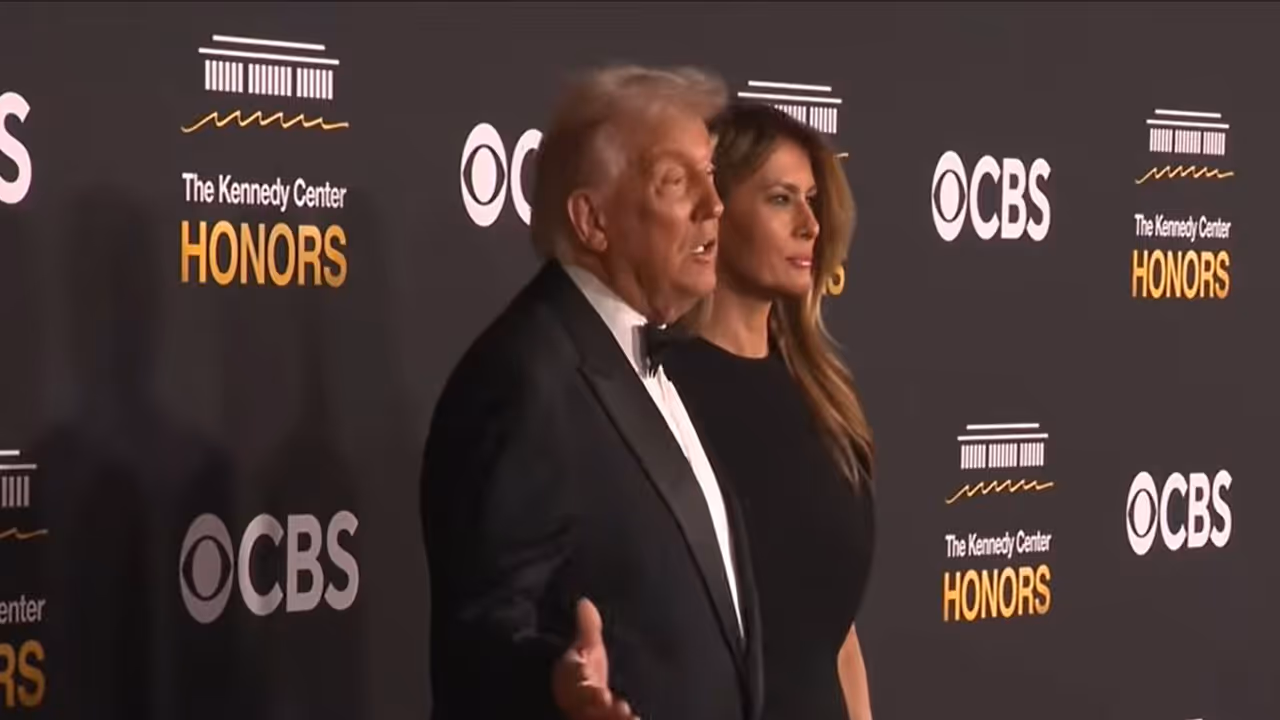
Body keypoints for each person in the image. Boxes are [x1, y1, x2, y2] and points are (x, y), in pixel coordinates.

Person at [421, 66, 764, 720]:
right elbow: (479, 635)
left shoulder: (645, 355)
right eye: (675, 182)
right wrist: (557, 684)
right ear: (592, 220)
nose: (714, 205)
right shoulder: (525, 379)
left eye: (710, 174)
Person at [663, 102, 877, 720]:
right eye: (782, 199)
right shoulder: (658, 392)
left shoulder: (823, 394)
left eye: (812, 200)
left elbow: (838, 638)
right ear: (715, 212)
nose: (810, 224)